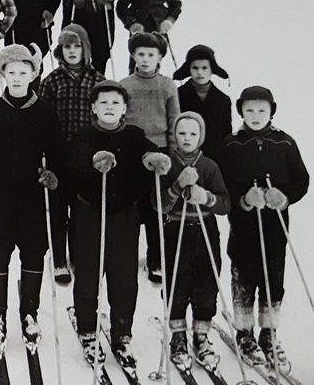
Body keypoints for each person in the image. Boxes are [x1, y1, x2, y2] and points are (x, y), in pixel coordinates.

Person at [0, 45, 62, 346]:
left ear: (33, 74)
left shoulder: (44, 111)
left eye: (23, 72)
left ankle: (29, 312)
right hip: (1, 193)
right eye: (11, 72)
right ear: (2, 74)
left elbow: (58, 151)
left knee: (33, 251)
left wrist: (53, 175)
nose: (17, 78)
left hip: (33, 195)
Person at [68, 81, 168, 366]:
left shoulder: (134, 135)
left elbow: (147, 151)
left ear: (124, 108)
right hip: (90, 212)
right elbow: (75, 159)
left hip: (125, 215)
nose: (109, 108)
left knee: (124, 277)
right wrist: (93, 160)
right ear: (93, 108)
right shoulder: (84, 134)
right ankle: (88, 330)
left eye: (115, 103)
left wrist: (154, 158)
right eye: (104, 103)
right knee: (88, 274)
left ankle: (122, 333)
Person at [218, 86, 309, 367]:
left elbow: (301, 179)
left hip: (275, 225)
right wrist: (243, 198)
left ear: (271, 111)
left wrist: (285, 196)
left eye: (261, 110)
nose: (255, 115)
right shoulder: (232, 144)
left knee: (273, 275)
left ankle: (269, 332)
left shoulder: (285, 143)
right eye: (249, 110)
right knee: (244, 274)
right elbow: (223, 185)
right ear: (241, 112)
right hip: (244, 226)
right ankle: (244, 331)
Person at [156, 113, 229, 365]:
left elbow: (225, 204)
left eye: (193, 134)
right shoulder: (166, 164)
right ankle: (177, 335)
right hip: (176, 229)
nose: (187, 138)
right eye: (182, 133)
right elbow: (158, 205)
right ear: (174, 135)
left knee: (206, 282)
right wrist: (177, 186)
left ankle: (201, 335)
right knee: (177, 282)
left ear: (201, 136)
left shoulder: (209, 166)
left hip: (204, 228)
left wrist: (206, 197)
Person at [38, 24, 105, 283]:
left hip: (86, 156)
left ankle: (78, 254)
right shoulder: (52, 81)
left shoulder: (97, 80)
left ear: (85, 48)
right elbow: (41, 118)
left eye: (77, 46)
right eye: (67, 46)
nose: (72, 51)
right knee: (57, 208)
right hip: (58, 153)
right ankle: (58, 259)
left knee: (81, 209)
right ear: (60, 50)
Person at [121, 32, 180, 283]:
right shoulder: (125, 85)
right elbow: (120, 119)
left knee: (157, 207)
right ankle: (125, 258)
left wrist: (174, 150)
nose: (145, 59)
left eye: (151, 55)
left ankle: (156, 258)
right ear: (133, 56)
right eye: (141, 54)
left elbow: (174, 119)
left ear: (159, 58)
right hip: (133, 153)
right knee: (132, 206)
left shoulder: (167, 85)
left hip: (160, 151)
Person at [172, 45, 231, 163]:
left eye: (204, 68)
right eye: (195, 68)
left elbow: (226, 133)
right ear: (189, 69)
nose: (200, 72)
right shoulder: (177, 95)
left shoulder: (223, 99)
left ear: (211, 70)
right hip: (184, 156)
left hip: (215, 158)